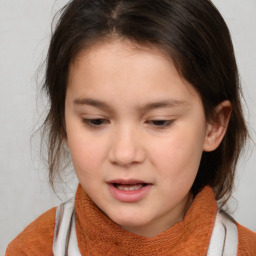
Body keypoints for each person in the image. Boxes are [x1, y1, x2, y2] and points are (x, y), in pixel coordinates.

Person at [6, 0, 256, 255]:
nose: (125, 154)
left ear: (214, 125)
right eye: (95, 120)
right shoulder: (32, 249)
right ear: (63, 122)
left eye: (159, 122)